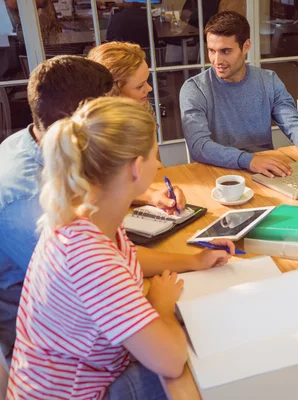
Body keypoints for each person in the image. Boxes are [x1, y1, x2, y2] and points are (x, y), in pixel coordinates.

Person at [6, 97, 236, 399]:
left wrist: (193, 261)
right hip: (82, 392)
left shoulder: (86, 217)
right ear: (137, 169)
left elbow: (128, 257)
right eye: (156, 156)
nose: (159, 164)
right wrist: (160, 307)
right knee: (211, 369)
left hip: (66, 376)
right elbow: (171, 360)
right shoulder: (90, 260)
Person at [0, 56, 183, 359]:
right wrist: (161, 305)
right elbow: (93, 275)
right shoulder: (28, 201)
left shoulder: (39, 139)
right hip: (66, 348)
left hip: (85, 332)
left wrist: (142, 193)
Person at [180, 11, 298, 178]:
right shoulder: (194, 89)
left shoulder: (268, 80)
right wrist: (248, 160)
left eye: (225, 51)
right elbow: (199, 146)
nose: (217, 61)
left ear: (246, 46)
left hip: (264, 171)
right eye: (212, 50)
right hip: (217, 175)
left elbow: (291, 121)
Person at [88, 41, 153, 105]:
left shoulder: (143, 108)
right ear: (112, 91)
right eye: (139, 86)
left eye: (146, 81)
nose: (150, 88)